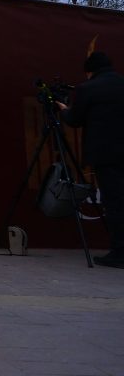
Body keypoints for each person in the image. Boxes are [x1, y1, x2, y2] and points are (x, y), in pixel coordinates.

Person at [58, 51, 124, 268]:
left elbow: (75, 119)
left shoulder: (88, 88)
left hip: (106, 156)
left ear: (89, 71)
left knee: (115, 203)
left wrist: (64, 110)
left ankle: (120, 253)